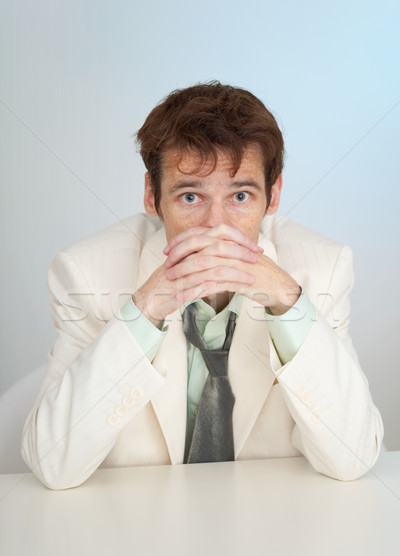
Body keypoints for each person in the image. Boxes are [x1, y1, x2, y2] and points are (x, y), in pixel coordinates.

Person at [21, 82, 384, 489]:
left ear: (274, 195)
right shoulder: (84, 273)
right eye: (191, 197)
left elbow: (352, 457)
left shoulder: (323, 270)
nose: (217, 226)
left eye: (240, 196)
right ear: (151, 196)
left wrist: (287, 303)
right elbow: (52, 463)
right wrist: (145, 309)